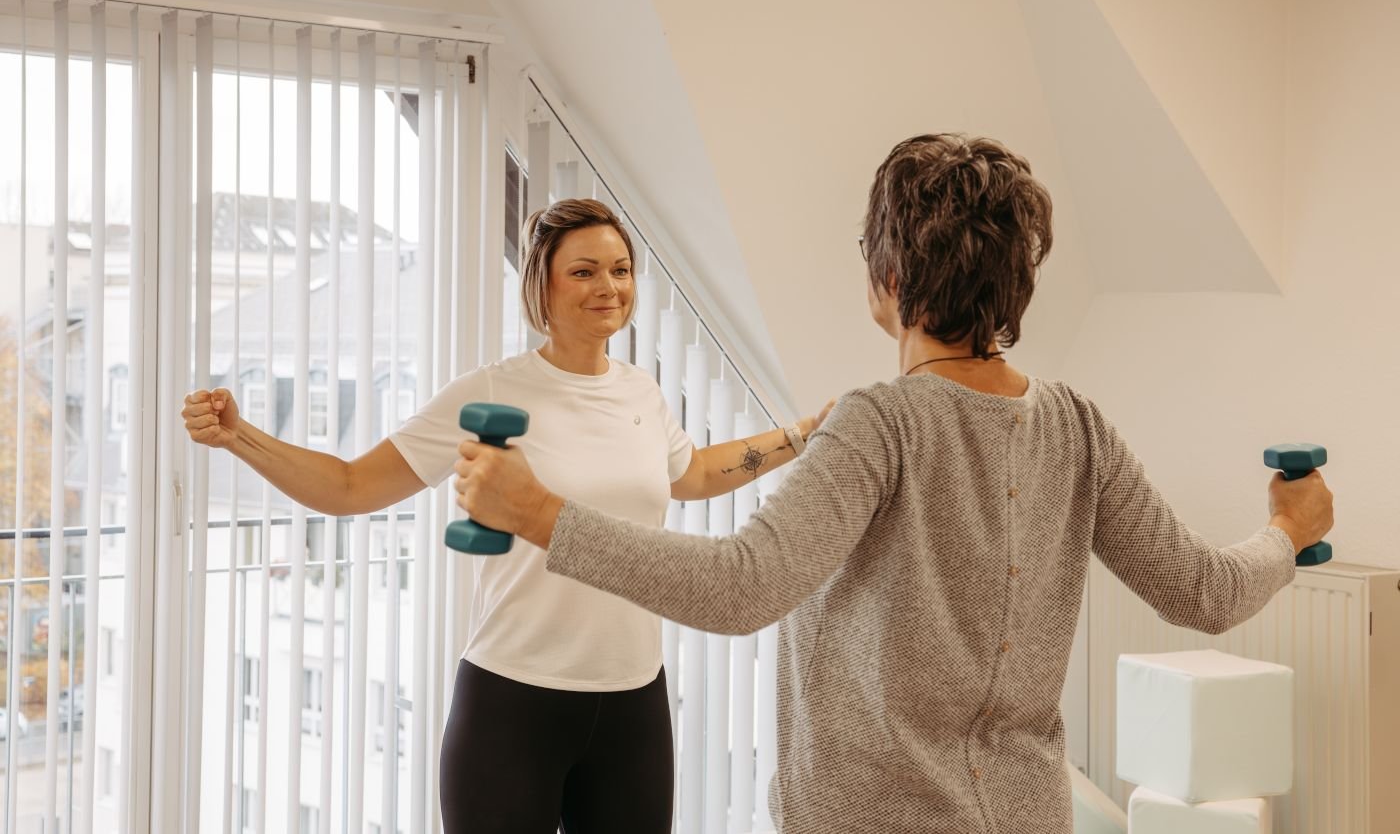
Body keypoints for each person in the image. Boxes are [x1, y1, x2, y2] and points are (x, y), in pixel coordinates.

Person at [452, 135, 1335, 834]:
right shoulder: (1078, 424)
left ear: (890, 279)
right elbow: (1207, 593)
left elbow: (741, 587)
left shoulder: (882, 421)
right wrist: (1287, 531)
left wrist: (539, 513)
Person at [182, 198, 833, 834]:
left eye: (620, 269)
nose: (608, 286)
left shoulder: (640, 391)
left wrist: (802, 437)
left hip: (634, 698)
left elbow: (691, 473)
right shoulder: (491, 391)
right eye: (583, 271)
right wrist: (241, 437)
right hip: (514, 700)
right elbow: (351, 487)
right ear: (540, 288)